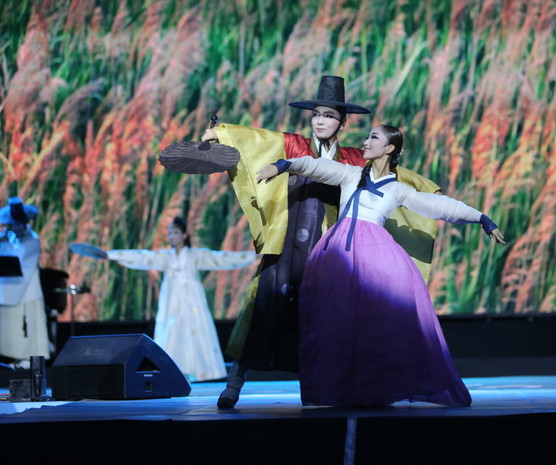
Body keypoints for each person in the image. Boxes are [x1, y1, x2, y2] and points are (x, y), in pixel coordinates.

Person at [202, 76, 442, 408]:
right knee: (264, 309)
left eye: (329, 116)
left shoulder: (354, 158)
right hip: (288, 244)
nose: (320, 121)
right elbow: (256, 140)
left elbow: (394, 176)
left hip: (327, 250)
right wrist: (221, 134)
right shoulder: (293, 145)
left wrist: (430, 191)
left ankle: (325, 387)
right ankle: (233, 384)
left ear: (342, 123)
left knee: (323, 319)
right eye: (316, 114)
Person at [256, 124, 506, 407]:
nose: (365, 142)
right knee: (334, 323)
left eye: (373, 138)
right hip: (338, 256)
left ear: (389, 148)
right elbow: (314, 166)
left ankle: (374, 388)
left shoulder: (397, 190)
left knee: (374, 327)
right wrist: (283, 165)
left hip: (375, 257)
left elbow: (440, 206)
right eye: (367, 137)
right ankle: (337, 389)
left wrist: (481, 218)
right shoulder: (350, 174)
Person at [106, 217, 258, 382]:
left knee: (194, 334)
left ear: (184, 235)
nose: (171, 236)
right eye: (169, 233)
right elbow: (143, 257)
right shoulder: (166, 257)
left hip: (192, 303)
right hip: (171, 303)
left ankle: (195, 371)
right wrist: (111, 255)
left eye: (175, 233)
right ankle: (172, 373)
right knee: (171, 335)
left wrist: (253, 257)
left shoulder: (194, 256)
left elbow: (222, 259)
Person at [0, 197, 50, 368]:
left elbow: (21, 259)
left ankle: (29, 360)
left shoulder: (32, 238)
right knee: (8, 327)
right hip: (7, 289)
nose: (17, 226)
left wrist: (7, 244)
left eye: (20, 223)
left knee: (29, 326)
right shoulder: (7, 238)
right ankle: (10, 358)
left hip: (28, 291)